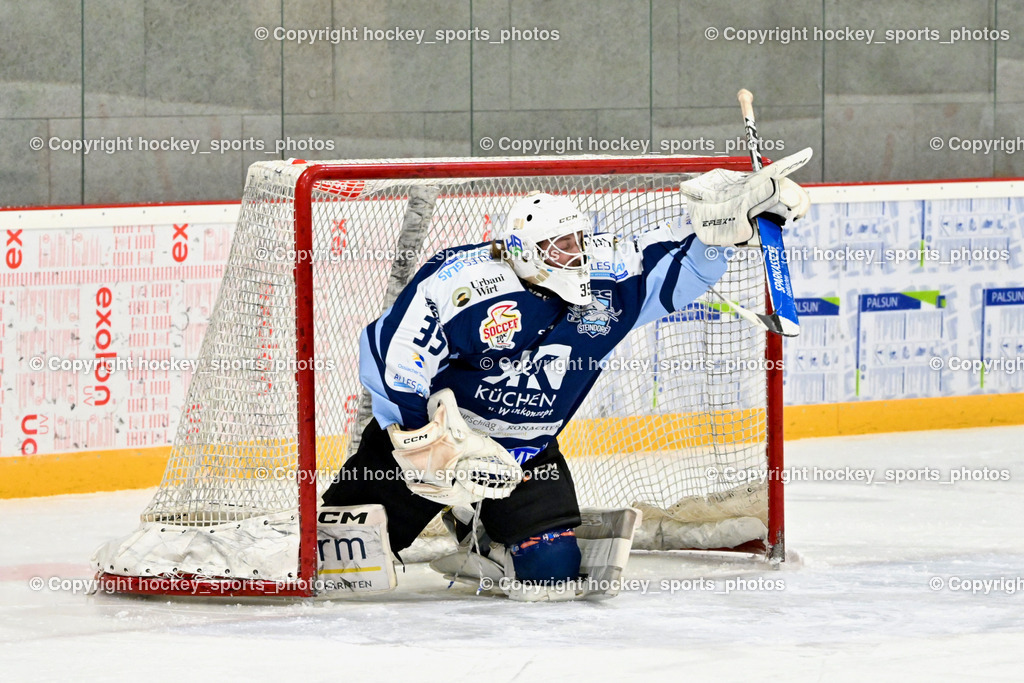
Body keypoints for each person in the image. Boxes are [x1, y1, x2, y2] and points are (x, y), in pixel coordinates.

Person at [322, 151, 811, 600]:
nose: (574, 255)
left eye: (577, 241)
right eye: (558, 247)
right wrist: (427, 445)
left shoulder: (606, 279)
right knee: (336, 564)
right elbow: (392, 355)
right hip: (433, 443)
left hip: (524, 452)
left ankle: (483, 531)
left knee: (552, 571)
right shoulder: (464, 282)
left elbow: (677, 273)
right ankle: (447, 504)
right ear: (524, 251)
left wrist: (716, 234)